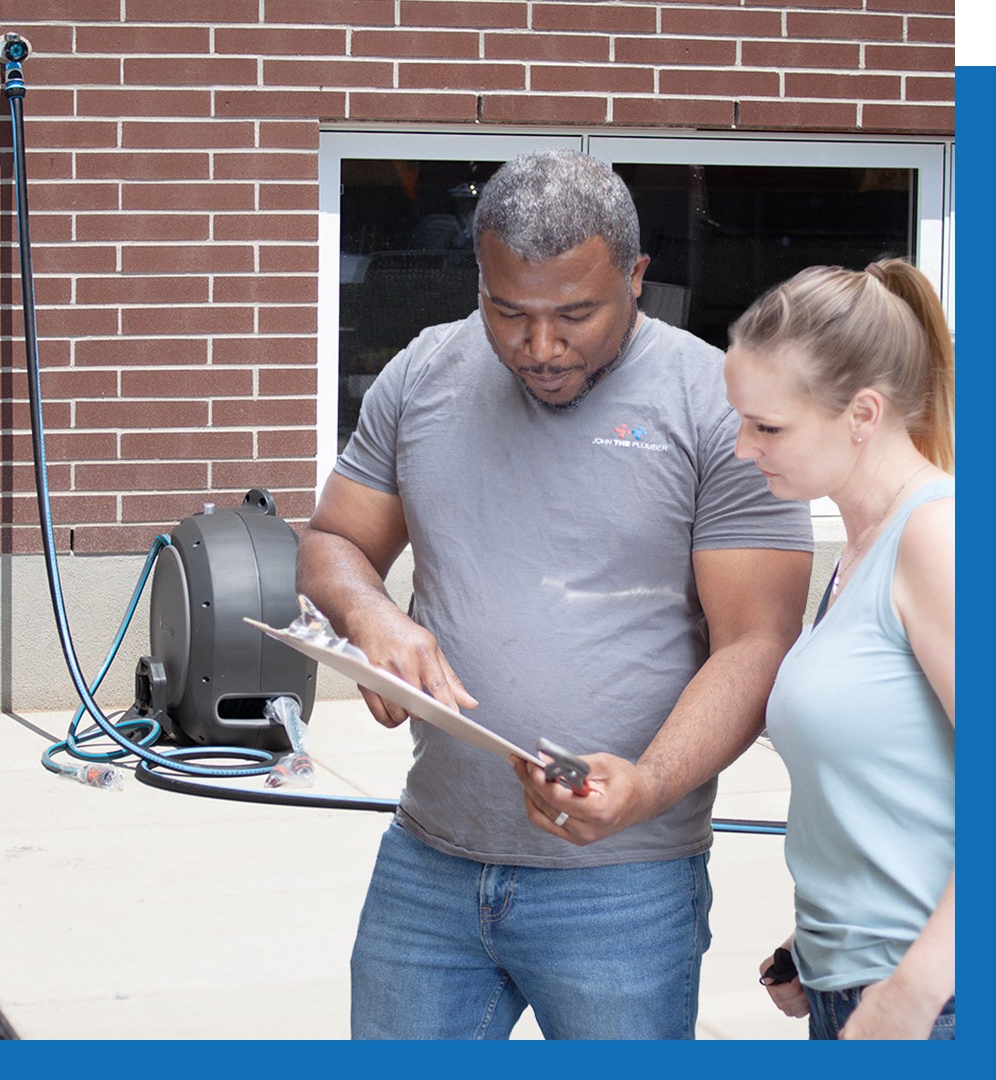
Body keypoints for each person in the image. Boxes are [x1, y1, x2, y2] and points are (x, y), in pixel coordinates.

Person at [297, 148, 814, 1040]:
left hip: (624, 881)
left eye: (575, 313)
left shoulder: (718, 406)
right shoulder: (424, 373)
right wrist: (370, 615)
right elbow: (335, 542)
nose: (539, 347)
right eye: (510, 312)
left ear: (637, 278)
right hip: (431, 862)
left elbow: (757, 644)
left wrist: (646, 787)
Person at [722, 259, 955, 1040]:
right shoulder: (858, 554)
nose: (740, 448)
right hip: (849, 981)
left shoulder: (936, 539)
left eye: (767, 427)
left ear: (862, 412)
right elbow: (891, 792)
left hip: (928, 1003)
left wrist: (910, 994)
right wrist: (812, 944)